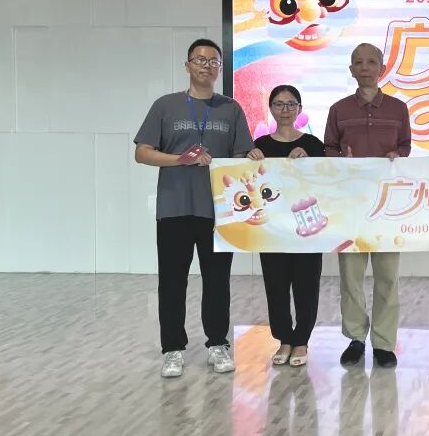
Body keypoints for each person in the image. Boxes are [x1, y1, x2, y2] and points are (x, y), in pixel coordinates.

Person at [134, 38, 254, 378]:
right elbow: (142, 152)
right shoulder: (165, 106)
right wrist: (180, 160)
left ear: (220, 68)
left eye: (213, 61)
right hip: (174, 208)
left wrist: (252, 157)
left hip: (218, 211)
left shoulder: (231, 109)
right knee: (172, 282)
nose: (206, 65)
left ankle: (218, 344)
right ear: (187, 65)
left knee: (218, 282)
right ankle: (172, 349)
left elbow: (242, 154)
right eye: (199, 60)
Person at [324, 43, 411, 368]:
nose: (365, 67)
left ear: (382, 68)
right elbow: (328, 148)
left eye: (371, 62)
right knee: (351, 278)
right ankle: (356, 338)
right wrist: (341, 160)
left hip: (388, 206)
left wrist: (398, 155)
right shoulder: (339, 109)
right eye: (358, 62)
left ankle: (385, 343)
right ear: (351, 69)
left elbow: (406, 146)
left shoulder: (398, 109)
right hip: (350, 206)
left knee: (388, 277)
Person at [247, 84, 325, 368]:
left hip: (307, 228)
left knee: (306, 285)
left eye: (291, 104)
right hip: (272, 229)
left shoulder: (313, 145)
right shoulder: (260, 146)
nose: (285, 110)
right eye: (279, 104)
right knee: (276, 285)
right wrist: (250, 161)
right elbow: (250, 183)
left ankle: (302, 340)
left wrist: (309, 161)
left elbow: (326, 181)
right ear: (270, 108)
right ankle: (284, 339)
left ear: (300, 109)